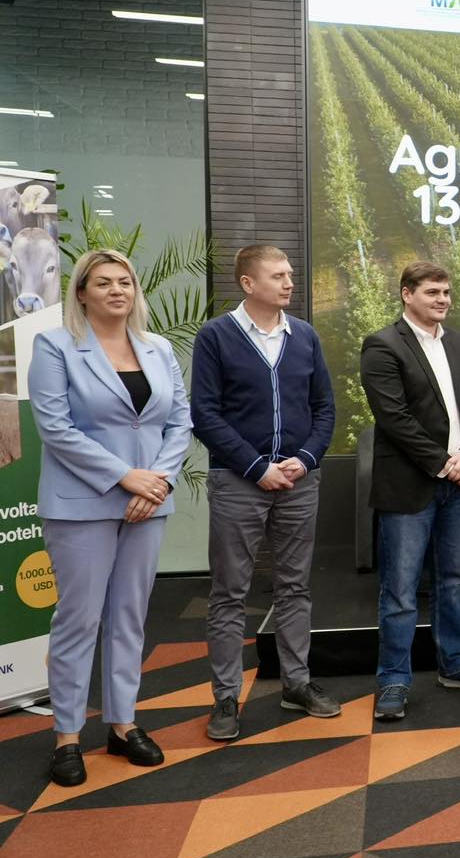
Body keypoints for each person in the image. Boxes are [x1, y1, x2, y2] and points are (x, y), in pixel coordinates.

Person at [30, 249, 191, 786]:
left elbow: (180, 422)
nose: (117, 290)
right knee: (78, 619)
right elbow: (55, 428)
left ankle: (123, 724)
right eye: (103, 283)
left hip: (148, 502)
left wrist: (158, 481)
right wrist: (127, 477)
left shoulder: (158, 348)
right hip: (83, 504)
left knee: (129, 617)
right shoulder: (55, 346)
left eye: (125, 282)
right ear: (81, 293)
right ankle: (67, 737)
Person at [191, 245, 339, 741]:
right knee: (229, 592)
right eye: (278, 275)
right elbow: (204, 414)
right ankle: (226, 698)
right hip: (238, 483)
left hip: (299, 482)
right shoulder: (216, 336)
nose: (289, 282)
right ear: (248, 283)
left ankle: (297, 684)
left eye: (290, 274)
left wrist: (308, 458)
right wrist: (257, 468)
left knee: (295, 587)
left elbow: (324, 408)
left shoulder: (305, 336)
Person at [360, 261, 460, 721]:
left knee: (454, 581)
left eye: (447, 292)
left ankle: (455, 663)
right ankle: (393, 680)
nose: (443, 300)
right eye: (433, 292)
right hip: (410, 486)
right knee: (400, 591)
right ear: (407, 294)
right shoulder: (382, 344)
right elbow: (393, 418)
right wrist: (444, 463)